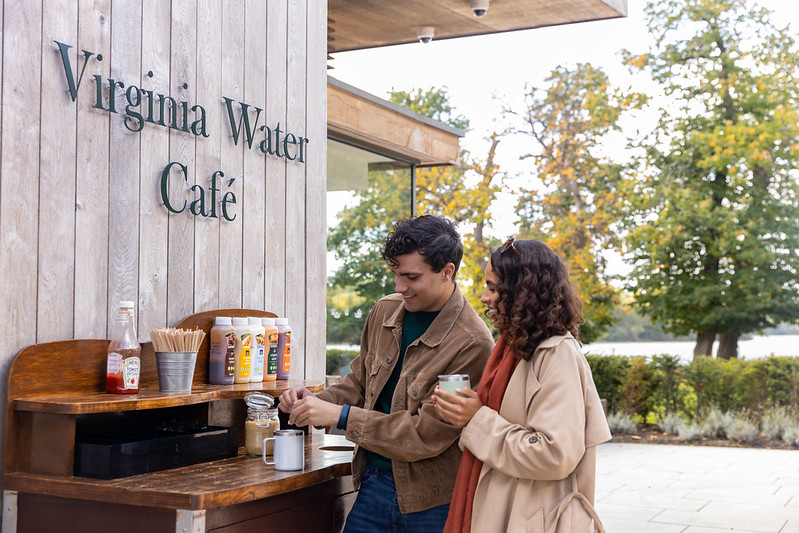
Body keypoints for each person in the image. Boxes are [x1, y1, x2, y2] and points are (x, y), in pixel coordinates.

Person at [279, 215, 494, 532]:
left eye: (411, 277)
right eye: (395, 274)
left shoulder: (472, 344)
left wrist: (339, 416)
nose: (399, 287)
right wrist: (313, 401)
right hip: (373, 485)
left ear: (447, 272)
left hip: (432, 502)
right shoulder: (384, 311)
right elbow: (359, 383)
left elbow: (425, 434)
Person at [433, 238, 611, 533]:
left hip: (529, 518)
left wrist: (475, 419)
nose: (484, 297)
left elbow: (554, 454)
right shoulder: (510, 348)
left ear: (522, 292)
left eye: (492, 287)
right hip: (503, 508)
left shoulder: (556, 353)